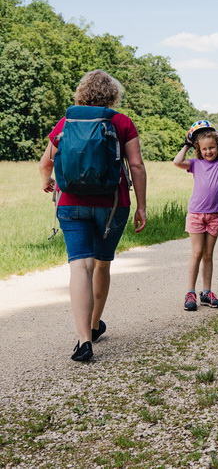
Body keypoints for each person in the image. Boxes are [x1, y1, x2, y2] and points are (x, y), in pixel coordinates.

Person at [38, 70, 147, 362]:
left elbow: (45, 162)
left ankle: (84, 340)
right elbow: (136, 166)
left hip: (71, 205)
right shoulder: (121, 122)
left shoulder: (66, 122)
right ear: (112, 95)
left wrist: (47, 180)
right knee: (102, 264)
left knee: (79, 267)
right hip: (113, 205)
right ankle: (95, 323)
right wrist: (141, 206)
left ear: (81, 93)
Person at [173, 125, 218, 311]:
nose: (208, 151)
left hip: (214, 216)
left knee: (208, 255)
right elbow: (176, 161)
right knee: (196, 253)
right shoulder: (196, 164)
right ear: (199, 150)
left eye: (211, 147)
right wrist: (187, 145)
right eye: (204, 149)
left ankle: (206, 293)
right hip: (196, 215)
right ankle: (190, 293)